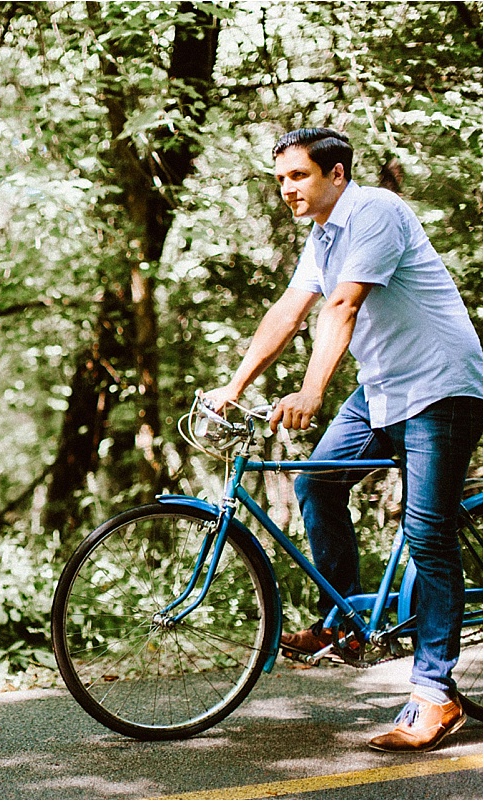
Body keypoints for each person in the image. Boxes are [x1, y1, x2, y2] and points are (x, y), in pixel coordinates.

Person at [203, 127, 483, 753]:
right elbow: (290, 309)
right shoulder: (322, 236)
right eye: (279, 179)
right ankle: (347, 626)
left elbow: (343, 307)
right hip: (383, 388)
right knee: (319, 483)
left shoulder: (376, 211)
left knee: (426, 532)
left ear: (335, 174)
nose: (286, 190)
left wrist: (310, 391)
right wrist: (235, 384)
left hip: (441, 387)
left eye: (297, 176)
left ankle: (435, 699)